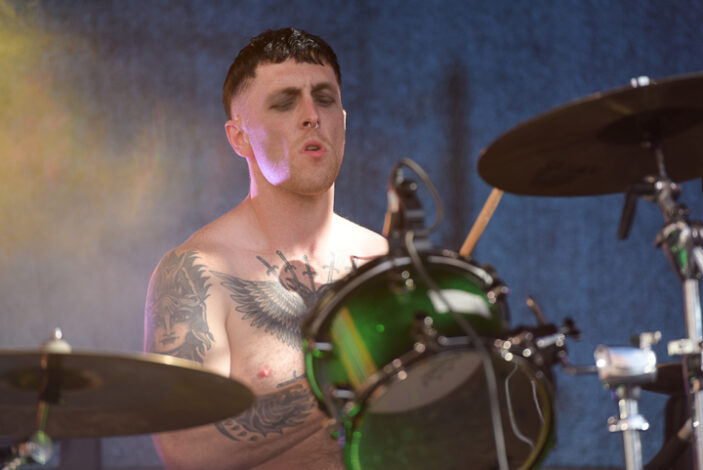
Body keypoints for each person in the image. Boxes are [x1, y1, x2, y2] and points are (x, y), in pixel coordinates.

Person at [144, 27, 388, 470]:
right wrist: (349, 377)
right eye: (285, 102)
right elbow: (185, 447)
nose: (311, 115)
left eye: (324, 99)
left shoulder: (380, 258)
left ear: (343, 121)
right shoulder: (197, 270)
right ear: (239, 137)